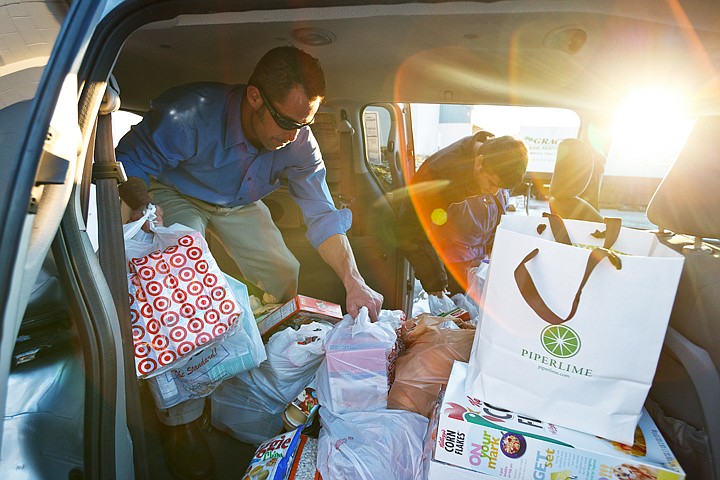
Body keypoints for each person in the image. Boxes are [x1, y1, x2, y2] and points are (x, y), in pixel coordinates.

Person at [116, 46, 383, 480]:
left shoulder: (298, 141)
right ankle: (182, 419)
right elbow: (127, 162)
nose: (296, 136)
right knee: (182, 283)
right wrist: (141, 208)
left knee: (283, 273)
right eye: (288, 123)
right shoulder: (192, 113)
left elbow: (321, 214)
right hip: (173, 192)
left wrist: (354, 281)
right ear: (255, 97)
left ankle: (248, 372)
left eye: (306, 124)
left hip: (239, 203)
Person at [396, 131, 528, 297]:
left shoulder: (499, 157)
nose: (495, 192)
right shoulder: (437, 175)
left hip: (478, 260)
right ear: (480, 163)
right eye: (492, 183)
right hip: (451, 263)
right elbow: (409, 228)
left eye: (501, 188)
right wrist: (435, 280)